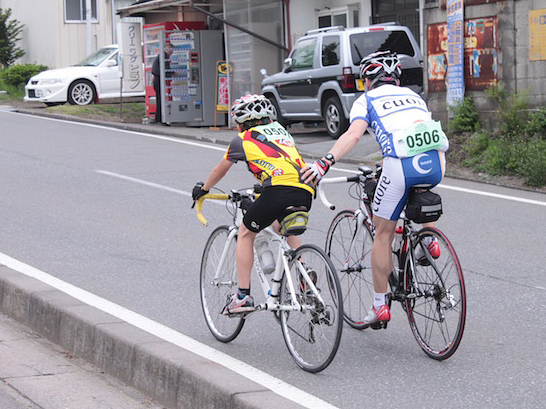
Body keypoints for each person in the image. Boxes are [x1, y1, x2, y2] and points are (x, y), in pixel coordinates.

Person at [301, 50, 448, 327]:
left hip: (401, 167)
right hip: (437, 162)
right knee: (414, 195)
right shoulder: (414, 96)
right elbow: (409, 133)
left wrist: (325, 162)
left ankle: (380, 306)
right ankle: (427, 242)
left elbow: (353, 134)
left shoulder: (366, 100)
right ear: (395, 78)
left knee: (383, 232)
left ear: (368, 79)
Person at [191, 94, 314, 313]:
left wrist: (204, 189)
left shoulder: (244, 139)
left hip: (278, 187)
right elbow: (279, 163)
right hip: (305, 187)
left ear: (241, 121)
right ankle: (304, 272)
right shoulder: (282, 132)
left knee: (246, 232)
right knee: (281, 225)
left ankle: (242, 297)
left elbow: (221, 169)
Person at [151, 44, 173, 123]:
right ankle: (159, 118)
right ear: (168, 49)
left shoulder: (161, 55)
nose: (172, 52)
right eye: (171, 50)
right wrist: (172, 73)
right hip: (159, 79)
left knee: (159, 98)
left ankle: (159, 118)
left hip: (157, 79)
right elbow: (165, 69)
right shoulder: (164, 57)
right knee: (160, 99)